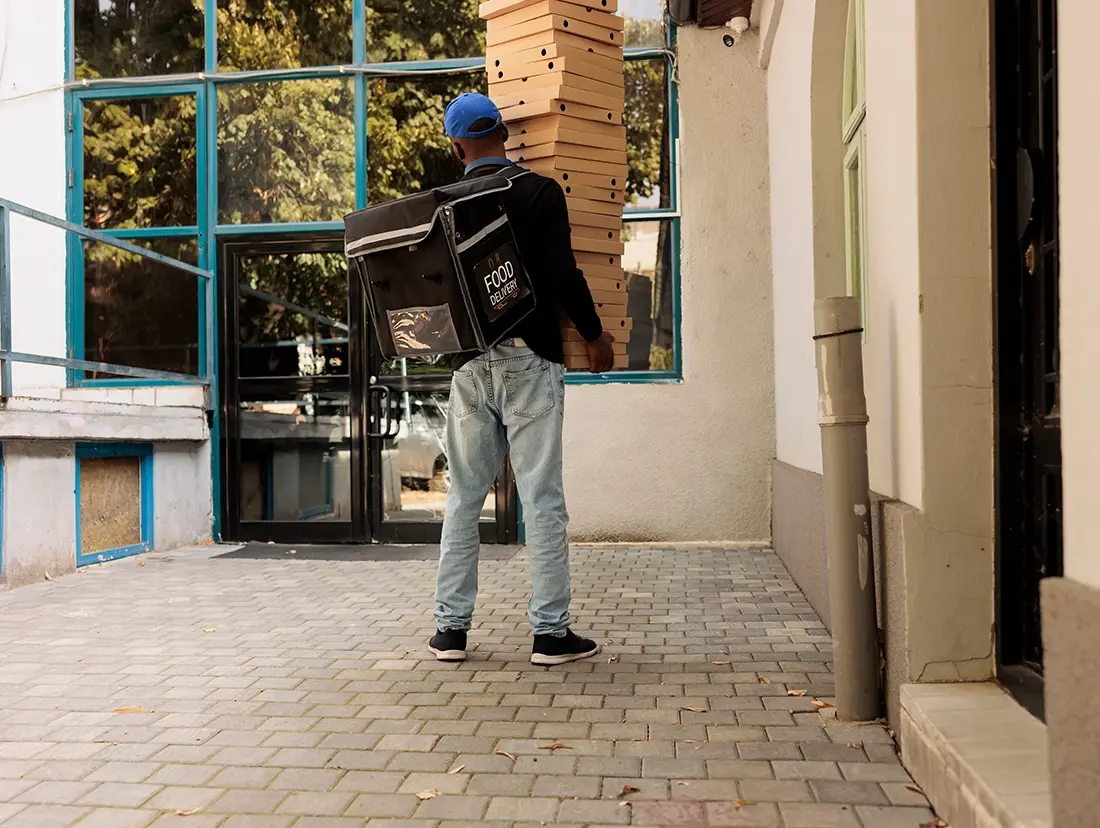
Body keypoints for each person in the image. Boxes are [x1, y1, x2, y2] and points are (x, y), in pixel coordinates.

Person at [429, 92, 615, 666]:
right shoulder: (538, 192)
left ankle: (450, 633)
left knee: (463, 497)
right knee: (541, 498)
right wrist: (594, 333)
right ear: (504, 134)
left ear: (458, 146)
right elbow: (563, 271)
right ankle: (550, 635)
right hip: (531, 359)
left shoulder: (443, 204)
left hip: (468, 366)